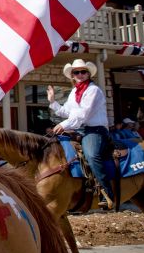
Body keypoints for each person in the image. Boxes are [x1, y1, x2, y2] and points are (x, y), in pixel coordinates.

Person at [47, 58, 114, 208]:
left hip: (95, 130)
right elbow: (67, 112)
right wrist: (52, 102)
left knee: (91, 154)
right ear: (72, 75)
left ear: (88, 74)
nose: (80, 74)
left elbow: (83, 113)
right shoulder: (74, 92)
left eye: (83, 71)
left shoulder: (93, 90)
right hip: (80, 130)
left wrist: (63, 125)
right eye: (76, 72)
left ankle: (106, 192)